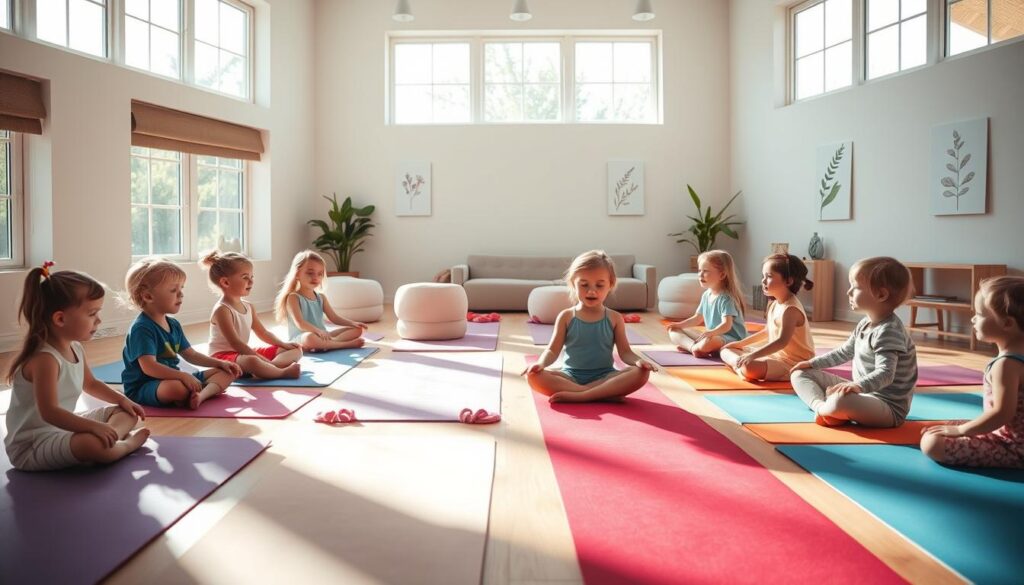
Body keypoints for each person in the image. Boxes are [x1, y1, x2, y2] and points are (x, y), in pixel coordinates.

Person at [4, 263, 149, 471]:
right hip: (34, 444)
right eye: (92, 314)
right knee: (91, 445)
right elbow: (49, 413)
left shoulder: (75, 347)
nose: (99, 320)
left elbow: (91, 384)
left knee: (126, 413)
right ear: (60, 319)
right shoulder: (44, 359)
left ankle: (110, 439)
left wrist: (122, 400)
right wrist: (93, 427)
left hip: (62, 428)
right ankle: (123, 445)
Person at [791, 257, 918, 427]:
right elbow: (844, 352)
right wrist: (812, 363)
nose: (848, 292)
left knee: (840, 401)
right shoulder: (865, 323)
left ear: (881, 295)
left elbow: (886, 374)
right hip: (861, 392)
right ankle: (821, 407)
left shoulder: (889, 330)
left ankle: (831, 409)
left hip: (886, 407)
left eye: (855, 287)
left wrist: (857, 386)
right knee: (800, 374)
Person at [522, 250, 657, 402]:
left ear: (610, 285)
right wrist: (540, 363)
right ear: (573, 284)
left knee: (641, 373)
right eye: (584, 285)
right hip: (570, 377)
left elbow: (625, 352)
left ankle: (582, 395)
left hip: (605, 377)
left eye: (599, 285)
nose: (591, 291)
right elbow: (552, 351)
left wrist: (639, 361)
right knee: (533, 376)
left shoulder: (615, 318)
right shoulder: (566, 316)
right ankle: (601, 393)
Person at [921, 276, 1024, 467]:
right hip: (1012, 435)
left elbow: (1002, 414)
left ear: (1007, 323)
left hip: (1014, 447)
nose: (973, 318)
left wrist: (961, 431)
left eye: (980, 314)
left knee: (932, 443)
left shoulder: (1006, 365)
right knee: (945, 425)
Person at [121, 257, 241, 409]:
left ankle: (200, 396)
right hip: (146, 385)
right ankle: (195, 392)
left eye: (181, 289)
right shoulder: (141, 328)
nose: (181, 294)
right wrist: (182, 376)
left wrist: (220, 363)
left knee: (228, 372)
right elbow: (149, 367)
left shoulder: (173, 324)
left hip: (175, 377)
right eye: (173, 290)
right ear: (148, 296)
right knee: (176, 388)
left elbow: (191, 355)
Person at [201, 250, 302, 379]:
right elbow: (236, 344)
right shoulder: (222, 310)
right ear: (225, 282)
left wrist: (283, 344)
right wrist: (263, 361)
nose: (251, 281)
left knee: (295, 350)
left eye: (251, 277)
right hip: (223, 358)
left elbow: (263, 333)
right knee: (253, 361)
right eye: (245, 277)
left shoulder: (249, 306)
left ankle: (269, 368)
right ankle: (281, 372)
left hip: (242, 353)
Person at [721, 254, 815, 381]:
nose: (763, 281)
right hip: (775, 356)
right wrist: (740, 344)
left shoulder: (791, 310)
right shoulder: (774, 303)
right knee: (726, 349)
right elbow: (767, 331)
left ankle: (740, 368)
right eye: (763, 276)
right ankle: (739, 367)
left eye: (769, 276)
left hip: (793, 363)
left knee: (749, 366)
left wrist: (753, 356)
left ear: (788, 281)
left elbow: (781, 342)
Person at [274, 250, 367, 351]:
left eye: (320, 274)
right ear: (297, 274)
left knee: (358, 330)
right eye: (310, 273)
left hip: (323, 335)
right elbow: (300, 323)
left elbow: (334, 318)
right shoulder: (293, 297)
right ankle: (344, 344)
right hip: (303, 338)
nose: (315, 277)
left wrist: (352, 323)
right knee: (310, 338)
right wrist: (318, 331)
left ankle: (330, 343)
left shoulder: (321, 297)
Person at [665, 250, 748, 357]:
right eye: (699, 270)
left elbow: (726, 326)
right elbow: (697, 318)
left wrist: (711, 333)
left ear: (722, 275)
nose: (700, 274)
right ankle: (693, 348)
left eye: (705, 271)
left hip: (730, 339)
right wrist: (678, 325)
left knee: (709, 341)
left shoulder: (726, 298)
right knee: (673, 331)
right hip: (712, 336)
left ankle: (694, 347)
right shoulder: (706, 295)